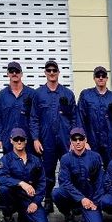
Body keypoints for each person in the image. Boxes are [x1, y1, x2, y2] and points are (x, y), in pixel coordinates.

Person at [30, 60, 76, 213]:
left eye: (54, 70)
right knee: (47, 172)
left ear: (58, 72)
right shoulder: (38, 94)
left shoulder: (67, 94)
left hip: (65, 139)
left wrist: (74, 139)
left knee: (69, 171)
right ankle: (48, 200)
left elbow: (74, 118)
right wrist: (35, 139)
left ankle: (70, 201)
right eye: (48, 70)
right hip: (46, 140)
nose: (51, 73)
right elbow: (34, 118)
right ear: (45, 73)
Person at [0, 128, 49, 222]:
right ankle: (8, 220)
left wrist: (35, 202)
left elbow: (42, 183)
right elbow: (0, 177)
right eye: (16, 139)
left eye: (21, 139)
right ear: (11, 141)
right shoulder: (6, 159)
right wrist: (21, 183)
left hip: (28, 198)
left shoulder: (35, 160)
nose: (19, 142)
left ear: (26, 141)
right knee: (3, 189)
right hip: (12, 196)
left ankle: (23, 214)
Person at [52, 128, 104, 222]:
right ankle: (69, 217)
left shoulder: (95, 157)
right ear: (71, 141)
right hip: (73, 197)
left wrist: (95, 202)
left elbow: (100, 182)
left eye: (80, 139)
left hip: (90, 198)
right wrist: (81, 199)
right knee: (56, 193)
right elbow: (65, 182)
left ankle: (85, 217)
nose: (78, 142)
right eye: (74, 139)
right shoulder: (65, 159)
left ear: (85, 140)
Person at [77, 66, 112, 168]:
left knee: (110, 170)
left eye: (103, 76)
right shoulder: (86, 95)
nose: (100, 78)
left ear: (107, 78)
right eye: (98, 75)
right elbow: (80, 119)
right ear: (94, 78)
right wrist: (83, 141)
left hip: (110, 143)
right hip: (92, 141)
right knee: (91, 169)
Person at [0, 61, 36, 154]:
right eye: (11, 71)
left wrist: (36, 138)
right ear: (8, 74)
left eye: (17, 71)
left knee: (30, 162)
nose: (14, 73)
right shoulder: (2, 95)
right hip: (9, 140)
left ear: (21, 74)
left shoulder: (31, 94)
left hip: (28, 140)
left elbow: (37, 118)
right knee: (10, 163)